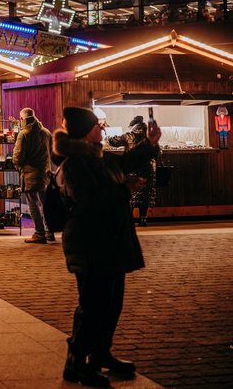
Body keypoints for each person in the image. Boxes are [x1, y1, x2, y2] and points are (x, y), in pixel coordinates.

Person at [53, 106, 160, 387]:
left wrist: (149, 144)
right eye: (97, 125)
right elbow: (90, 201)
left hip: (110, 242)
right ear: (86, 131)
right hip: (90, 244)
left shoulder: (97, 157)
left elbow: (124, 163)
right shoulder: (76, 163)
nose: (102, 128)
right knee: (93, 304)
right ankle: (75, 362)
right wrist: (125, 190)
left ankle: (101, 353)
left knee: (111, 303)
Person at [106, 116, 157, 227]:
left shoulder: (129, 135)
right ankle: (143, 219)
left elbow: (112, 142)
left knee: (132, 192)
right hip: (149, 167)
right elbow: (158, 151)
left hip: (133, 166)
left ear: (133, 126)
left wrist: (107, 134)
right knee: (146, 193)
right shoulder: (147, 135)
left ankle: (129, 218)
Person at [14, 107, 55, 244]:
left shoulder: (24, 134)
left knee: (33, 204)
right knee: (46, 204)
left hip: (30, 173)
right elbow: (51, 152)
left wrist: (19, 166)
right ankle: (50, 231)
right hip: (46, 173)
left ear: (22, 119)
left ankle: (39, 233)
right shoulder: (46, 132)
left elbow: (17, 157)